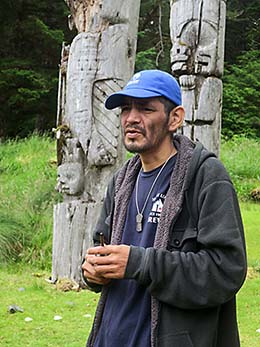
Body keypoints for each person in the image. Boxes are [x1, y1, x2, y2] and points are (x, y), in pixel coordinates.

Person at [82, 70, 247, 347]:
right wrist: (92, 271)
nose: (131, 118)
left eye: (146, 109)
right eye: (125, 109)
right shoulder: (121, 181)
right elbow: (103, 251)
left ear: (175, 118)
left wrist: (139, 263)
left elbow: (226, 271)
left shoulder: (205, 176)